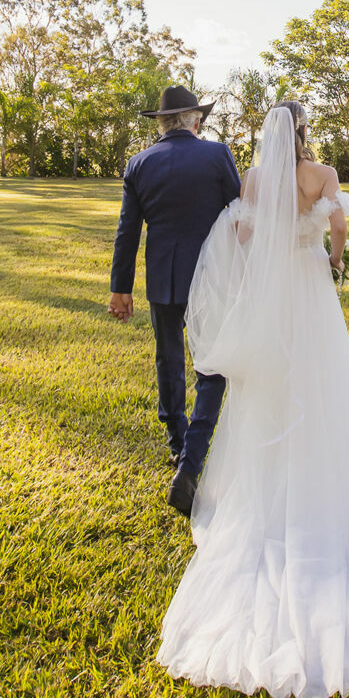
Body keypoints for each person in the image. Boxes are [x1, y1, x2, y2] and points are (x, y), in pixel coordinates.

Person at [156, 101, 349, 698]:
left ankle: (267, 484)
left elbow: (243, 233)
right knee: (320, 381)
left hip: (275, 294)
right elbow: (340, 228)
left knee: (271, 389)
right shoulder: (319, 175)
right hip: (311, 290)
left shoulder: (253, 179)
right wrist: (333, 258)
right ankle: (322, 473)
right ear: (303, 131)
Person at [109, 85, 240, 515]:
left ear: (162, 123)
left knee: (169, 361)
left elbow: (128, 233)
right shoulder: (217, 155)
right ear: (194, 120)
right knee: (213, 367)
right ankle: (190, 462)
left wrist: (120, 288)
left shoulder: (139, 164)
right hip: (211, 278)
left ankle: (177, 444)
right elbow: (240, 217)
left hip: (162, 281)